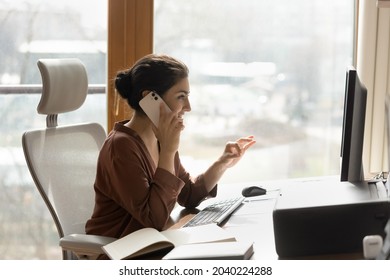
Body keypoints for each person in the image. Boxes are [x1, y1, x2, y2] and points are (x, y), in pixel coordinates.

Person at [85, 54, 256, 241]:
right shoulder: (120, 147)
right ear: (150, 98)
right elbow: (154, 219)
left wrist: (222, 163)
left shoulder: (159, 138)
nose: (188, 107)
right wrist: (168, 150)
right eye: (181, 97)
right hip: (120, 250)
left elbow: (189, 195)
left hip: (154, 244)